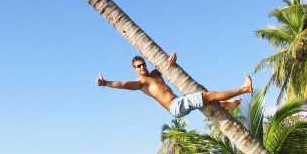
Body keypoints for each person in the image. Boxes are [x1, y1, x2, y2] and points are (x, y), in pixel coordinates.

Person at [96, 53, 252, 118]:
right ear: (134, 69)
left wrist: (173, 56)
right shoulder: (141, 83)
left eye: (143, 64)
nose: (142, 67)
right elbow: (123, 84)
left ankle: (227, 104)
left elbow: (168, 61)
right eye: (138, 66)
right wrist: (105, 83)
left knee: (205, 99)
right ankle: (244, 89)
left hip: (178, 102)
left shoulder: (155, 75)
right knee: (207, 95)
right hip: (175, 106)